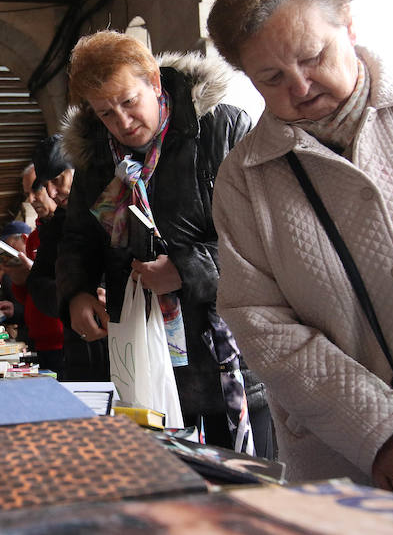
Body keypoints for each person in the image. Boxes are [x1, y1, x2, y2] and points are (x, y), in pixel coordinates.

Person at [207, 0, 393, 496]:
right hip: (358, 464)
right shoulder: (244, 180)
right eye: (272, 78)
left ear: (349, 26)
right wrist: (375, 425)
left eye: (313, 57)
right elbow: (258, 320)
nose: (301, 87)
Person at [56, 30, 262, 451]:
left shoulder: (221, 128)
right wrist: (75, 293)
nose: (123, 122)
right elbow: (78, 238)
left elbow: (263, 240)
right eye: (106, 113)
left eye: (129, 102)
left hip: (222, 351)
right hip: (140, 353)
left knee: (240, 493)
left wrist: (185, 270)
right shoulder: (96, 161)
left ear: (153, 79)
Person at [29, 137, 109, 381]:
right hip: (81, 352)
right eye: (46, 185)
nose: (51, 193)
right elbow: (37, 282)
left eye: (57, 179)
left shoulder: (115, 208)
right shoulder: (57, 227)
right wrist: (72, 297)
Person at [0, 219, 67, 375]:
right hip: (38, 340)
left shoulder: (54, 237)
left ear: (23, 238)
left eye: (9, 245)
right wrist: (18, 281)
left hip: (60, 339)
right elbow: (31, 299)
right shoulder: (35, 241)